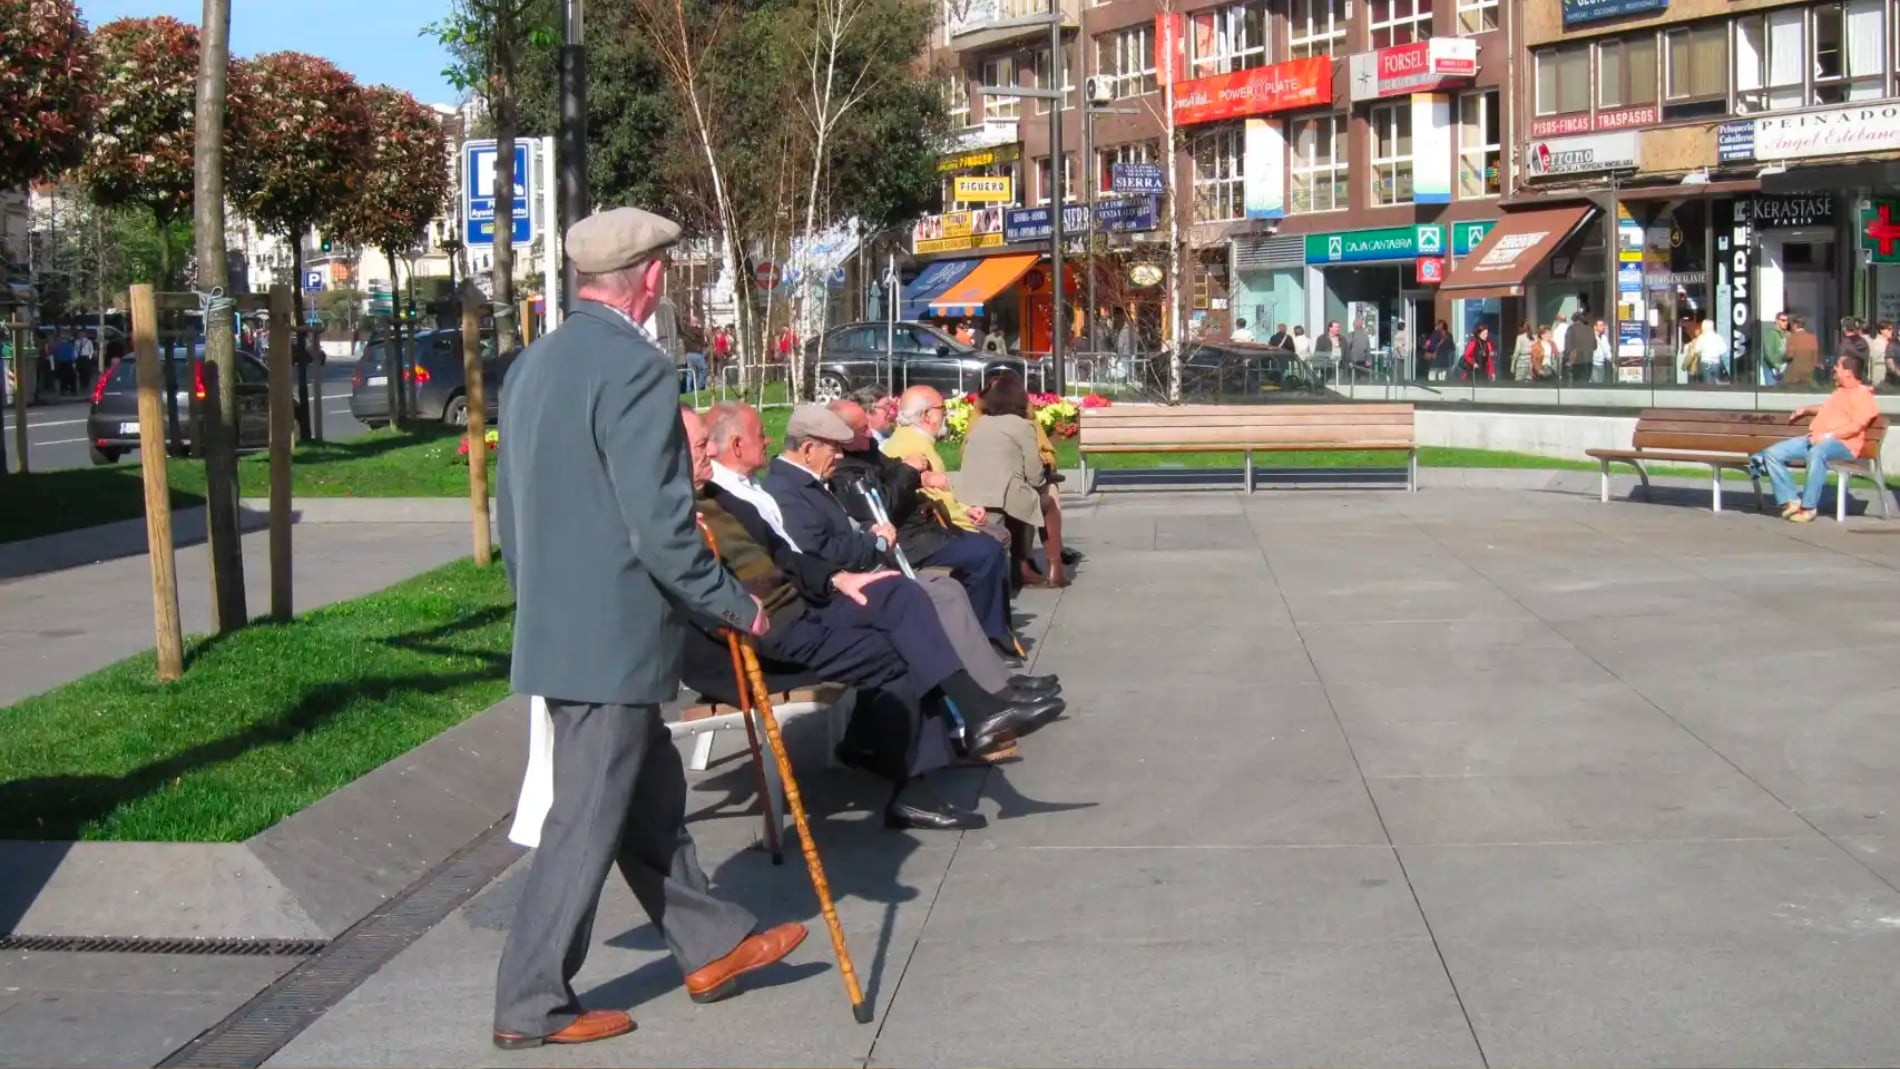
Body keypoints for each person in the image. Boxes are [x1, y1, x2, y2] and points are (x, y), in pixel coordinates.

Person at [491, 207, 804, 1051]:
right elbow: (661, 527)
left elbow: (510, 511)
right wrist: (734, 602)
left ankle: (711, 943)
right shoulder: (636, 368)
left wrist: (538, 602)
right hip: (613, 635)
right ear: (654, 278)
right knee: (586, 818)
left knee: (648, 798)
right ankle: (531, 1000)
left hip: (565, 625)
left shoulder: (534, 363)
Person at [690, 408, 1060, 829]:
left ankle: (977, 712)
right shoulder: (681, 516)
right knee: (901, 649)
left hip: (799, 609)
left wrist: (836, 578)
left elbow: (786, 557)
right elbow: (703, 590)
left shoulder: (720, 498)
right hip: (759, 641)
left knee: (900, 594)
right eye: (701, 445)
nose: (710, 451)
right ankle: (915, 775)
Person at [766, 403, 1013, 650]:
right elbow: (878, 508)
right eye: (862, 430)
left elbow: (891, 473)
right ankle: (983, 642)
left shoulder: (863, 454)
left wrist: (918, 476)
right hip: (901, 541)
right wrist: (907, 473)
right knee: (975, 561)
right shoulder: (836, 473)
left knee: (969, 569)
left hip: (904, 534)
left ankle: (982, 644)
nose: (870, 433)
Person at [962, 370, 1065, 588]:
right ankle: (1055, 569)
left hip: (970, 498)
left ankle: (1023, 567)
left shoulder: (980, 423)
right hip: (1003, 498)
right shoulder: (1023, 426)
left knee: (1023, 499)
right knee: (1047, 503)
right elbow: (1035, 477)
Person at [1750, 353, 1880, 523]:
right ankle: (1791, 500)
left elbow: (1856, 426)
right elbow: (1827, 409)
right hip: (1815, 439)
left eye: (1838, 366)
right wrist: (1805, 410)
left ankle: (1809, 507)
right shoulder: (1840, 392)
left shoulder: (1864, 396)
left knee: (1817, 452)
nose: (1834, 368)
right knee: (1772, 454)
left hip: (1844, 445)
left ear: (1848, 373)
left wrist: (1827, 436)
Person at [886, 386, 989, 537]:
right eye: (942, 408)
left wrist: (967, 509)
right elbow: (939, 502)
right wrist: (968, 520)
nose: (945, 414)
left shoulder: (907, 438)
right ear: (926, 415)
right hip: (941, 530)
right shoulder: (916, 448)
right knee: (998, 538)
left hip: (935, 526)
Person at [1782, 315, 1820, 387]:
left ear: (1795, 325)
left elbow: (1790, 355)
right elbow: (1815, 357)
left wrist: (1782, 358)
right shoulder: (1812, 338)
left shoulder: (1792, 337)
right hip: (1809, 375)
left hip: (1795, 376)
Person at [1563, 308, 1595, 382]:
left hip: (1576, 363)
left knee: (1574, 385)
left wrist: (1568, 362)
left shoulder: (1571, 329)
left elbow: (1569, 347)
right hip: (1589, 362)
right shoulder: (1590, 329)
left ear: (1573, 320)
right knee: (1585, 383)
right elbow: (1595, 346)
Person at [1762, 311, 1790, 386]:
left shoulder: (1788, 335)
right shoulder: (1771, 334)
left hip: (1784, 369)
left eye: (1787, 321)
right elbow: (1768, 354)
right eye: (1783, 320)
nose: (1786, 323)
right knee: (1772, 390)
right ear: (1777, 321)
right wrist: (1777, 366)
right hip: (1771, 369)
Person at [1592, 318, 1612, 383]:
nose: (1603, 327)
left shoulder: (1604, 338)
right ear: (1595, 327)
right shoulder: (1591, 337)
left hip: (1602, 365)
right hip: (1594, 365)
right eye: (1600, 325)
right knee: (1596, 383)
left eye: (1603, 325)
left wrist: (1611, 359)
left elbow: (1607, 350)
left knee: (1600, 383)